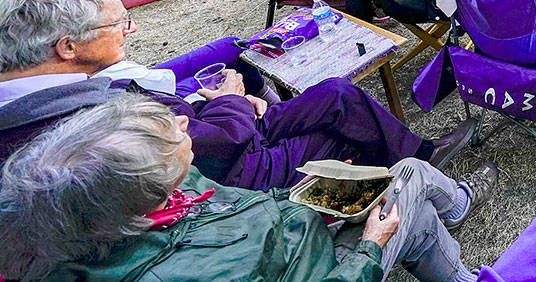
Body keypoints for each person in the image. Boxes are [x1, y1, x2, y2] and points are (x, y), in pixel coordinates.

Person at [0, 0, 478, 186]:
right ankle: (417, 181)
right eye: (118, 22)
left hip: (213, 132)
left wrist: (209, 100)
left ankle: (419, 157)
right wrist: (230, 100)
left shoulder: (47, 86)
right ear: (68, 46)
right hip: (229, 165)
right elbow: (215, 146)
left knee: (335, 94)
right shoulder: (84, 109)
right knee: (346, 128)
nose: (131, 27)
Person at [0, 94, 498, 282]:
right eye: (169, 134)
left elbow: (241, 211)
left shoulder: (148, 198)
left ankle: (453, 245)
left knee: (410, 212)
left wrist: (306, 199)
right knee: (408, 175)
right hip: (330, 267)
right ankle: (457, 202)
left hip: (297, 232)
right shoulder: (185, 268)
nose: (183, 121)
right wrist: (368, 247)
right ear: (142, 188)